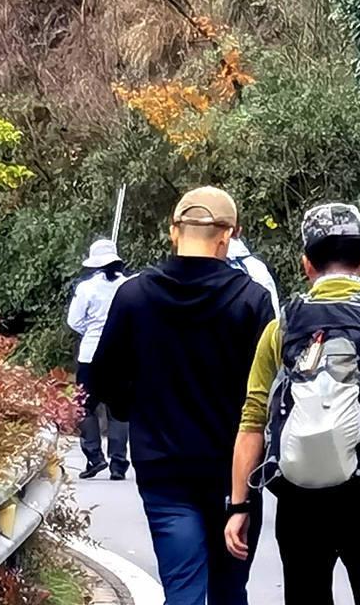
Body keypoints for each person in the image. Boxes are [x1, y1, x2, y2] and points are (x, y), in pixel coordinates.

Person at [225, 201, 360, 605]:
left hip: (299, 500)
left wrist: (239, 504)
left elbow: (253, 420)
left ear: (306, 264)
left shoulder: (281, 329)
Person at [91, 187, 278, 605]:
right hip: (234, 472)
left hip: (163, 468)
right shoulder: (251, 301)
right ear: (229, 235)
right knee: (230, 590)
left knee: (183, 589)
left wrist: (135, 410)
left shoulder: (134, 296)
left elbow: (103, 379)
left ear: (174, 231)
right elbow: (271, 394)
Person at [65, 236, 131, 479]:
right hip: (121, 355)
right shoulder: (129, 286)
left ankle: (94, 456)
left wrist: (91, 329)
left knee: (84, 406)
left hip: (91, 354)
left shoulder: (86, 288)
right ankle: (118, 463)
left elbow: (74, 321)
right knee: (119, 410)